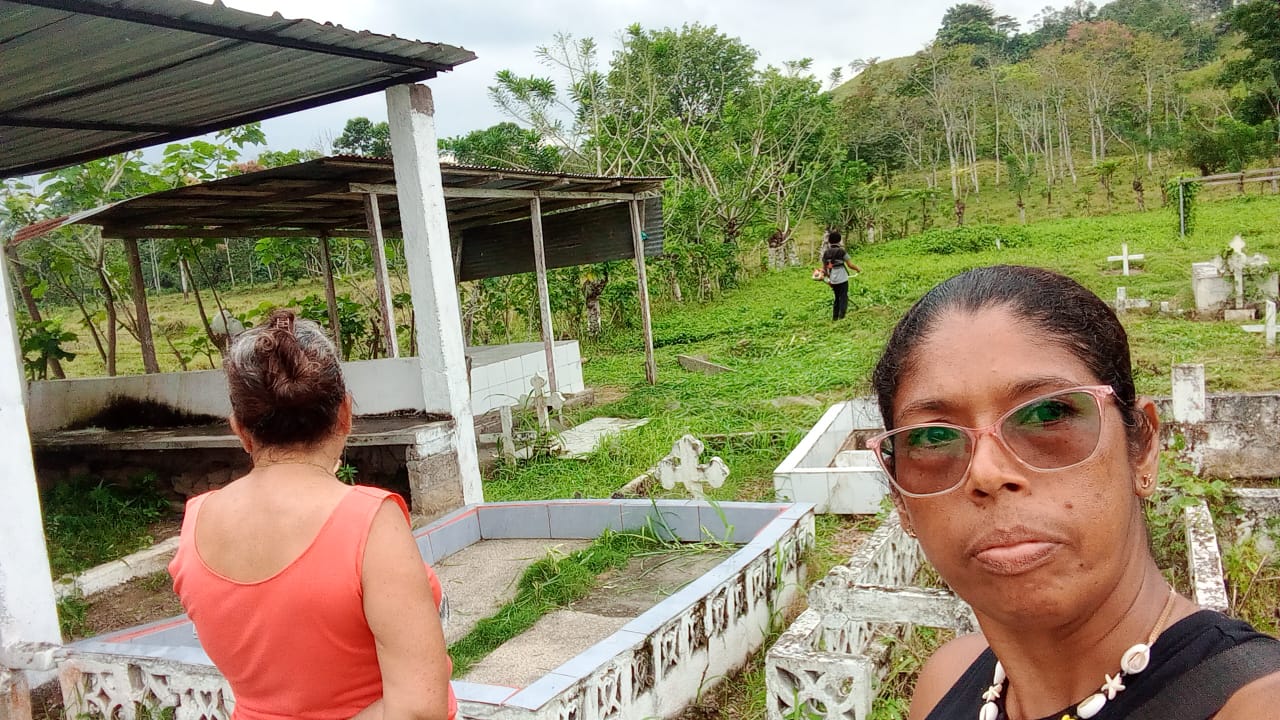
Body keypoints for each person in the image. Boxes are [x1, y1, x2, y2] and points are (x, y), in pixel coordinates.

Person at [865, 265, 1280, 720]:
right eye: (932, 437)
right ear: (900, 498)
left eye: (1048, 414)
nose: (986, 472)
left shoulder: (1256, 704)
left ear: (1142, 448)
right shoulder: (945, 681)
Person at [169, 309, 455, 720]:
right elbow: (418, 708)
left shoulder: (198, 520)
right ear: (345, 414)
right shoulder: (369, 524)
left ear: (240, 430)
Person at [822, 231, 862, 321]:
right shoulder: (841, 251)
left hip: (833, 278)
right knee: (843, 297)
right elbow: (850, 265)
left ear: (829, 241)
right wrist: (858, 269)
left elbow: (825, 268)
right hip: (842, 277)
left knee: (837, 298)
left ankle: (835, 317)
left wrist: (828, 277)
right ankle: (842, 316)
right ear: (839, 240)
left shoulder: (826, 253)